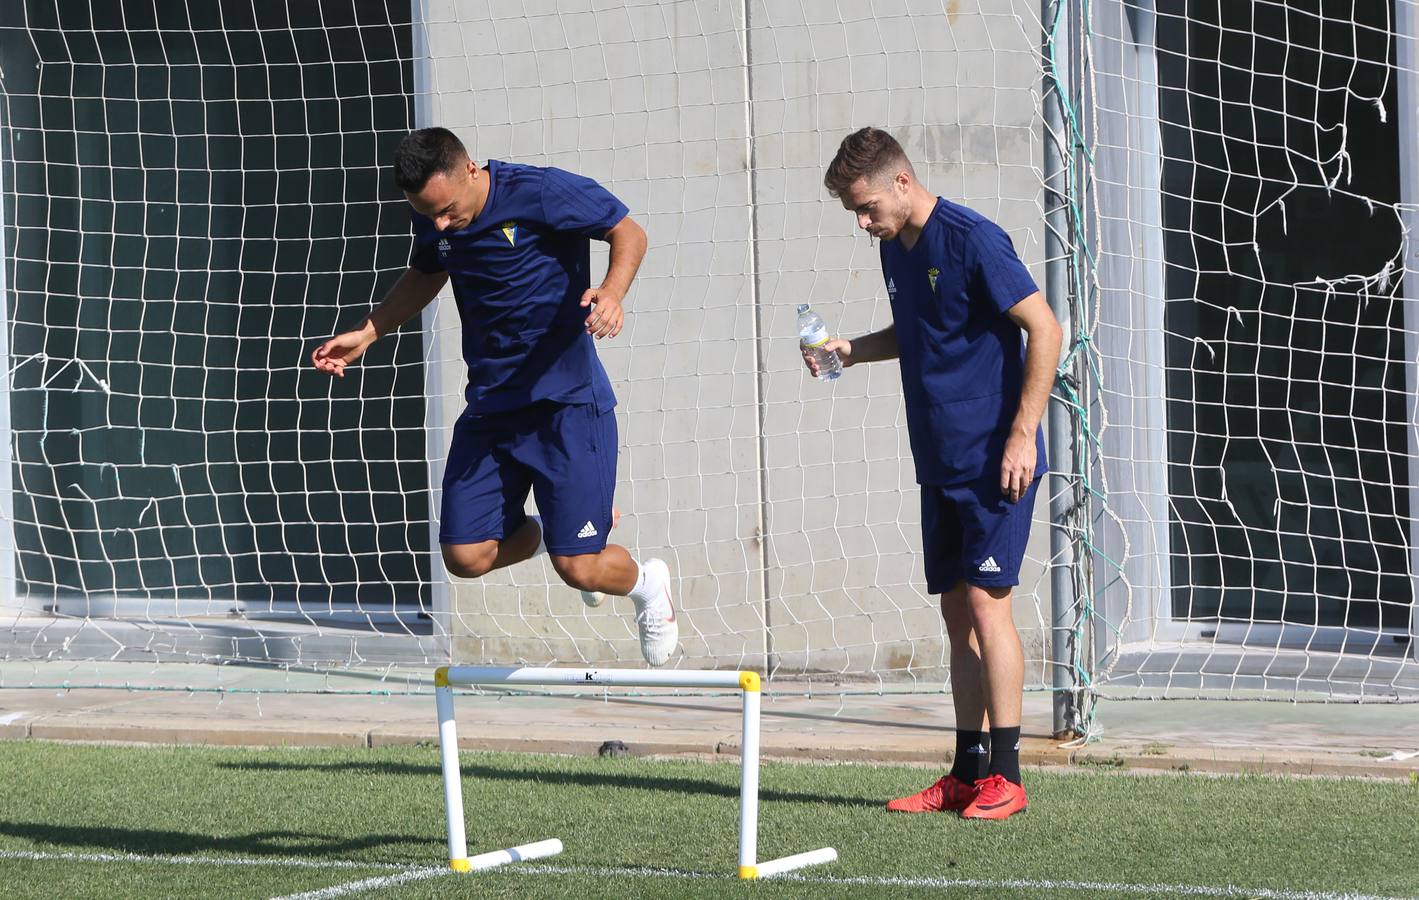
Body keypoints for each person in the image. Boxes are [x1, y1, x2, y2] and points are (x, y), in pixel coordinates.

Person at [312, 127, 678, 666]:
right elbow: (426, 270)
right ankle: (559, 518)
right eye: (426, 214)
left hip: (566, 406)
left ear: (470, 171)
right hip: (492, 408)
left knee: (579, 567)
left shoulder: (542, 192)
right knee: (465, 556)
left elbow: (629, 232)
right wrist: (370, 332)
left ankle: (648, 586)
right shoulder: (435, 215)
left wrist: (612, 293)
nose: (439, 223)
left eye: (445, 210)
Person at [810, 127, 1061, 819]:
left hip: (993, 458)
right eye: (854, 215)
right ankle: (963, 772)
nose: (864, 224)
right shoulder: (896, 249)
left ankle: (1006, 775)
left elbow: (1044, 328)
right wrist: (852, 351)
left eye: (867, 208)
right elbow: (920, 331)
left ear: (901, 182)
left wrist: (1021, 435)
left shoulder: (974, 238)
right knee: (956, 615)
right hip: (939, 458)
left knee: (988, 605)